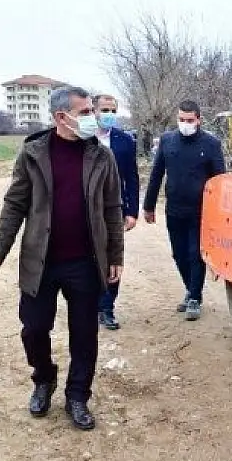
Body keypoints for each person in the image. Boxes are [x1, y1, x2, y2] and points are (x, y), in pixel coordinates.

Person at [0, 86, 124, 431]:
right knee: (34, 329)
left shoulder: (102, 157)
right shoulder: (33, 154)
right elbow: (14, 205)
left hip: (86, 262)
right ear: (62, 117)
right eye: (85, 112)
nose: (94, 117)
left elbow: (112, 208)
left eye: (92, 111)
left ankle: (77, 396)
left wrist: (115, 254)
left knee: (85, 334)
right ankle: (44, 379)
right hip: (41, 262)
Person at [142, 100, 225, 321]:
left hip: (201, 211)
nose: (185, 124)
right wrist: (149, 206)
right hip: (174, 209)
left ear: (198, 119)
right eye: (181, 119)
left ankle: (195, 298)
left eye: (189, 120)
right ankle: (191, 290)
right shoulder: (167, 141)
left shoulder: (211, 144)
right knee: (179, 254)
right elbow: (156, 174)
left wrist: (220, 213)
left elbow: (220, 181)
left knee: (194, 254)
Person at [93, 94, 139, 330]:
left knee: (113, 257)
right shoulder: (83, 137)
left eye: (113, 110)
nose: (108, 114)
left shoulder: (125, 141)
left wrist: (132, 211)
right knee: (89, 257)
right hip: (85, 209)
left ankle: (107, 307)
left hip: (114, 209)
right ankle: (90, 305)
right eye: (104, 110)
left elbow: (131, 177)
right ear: (94, 110)